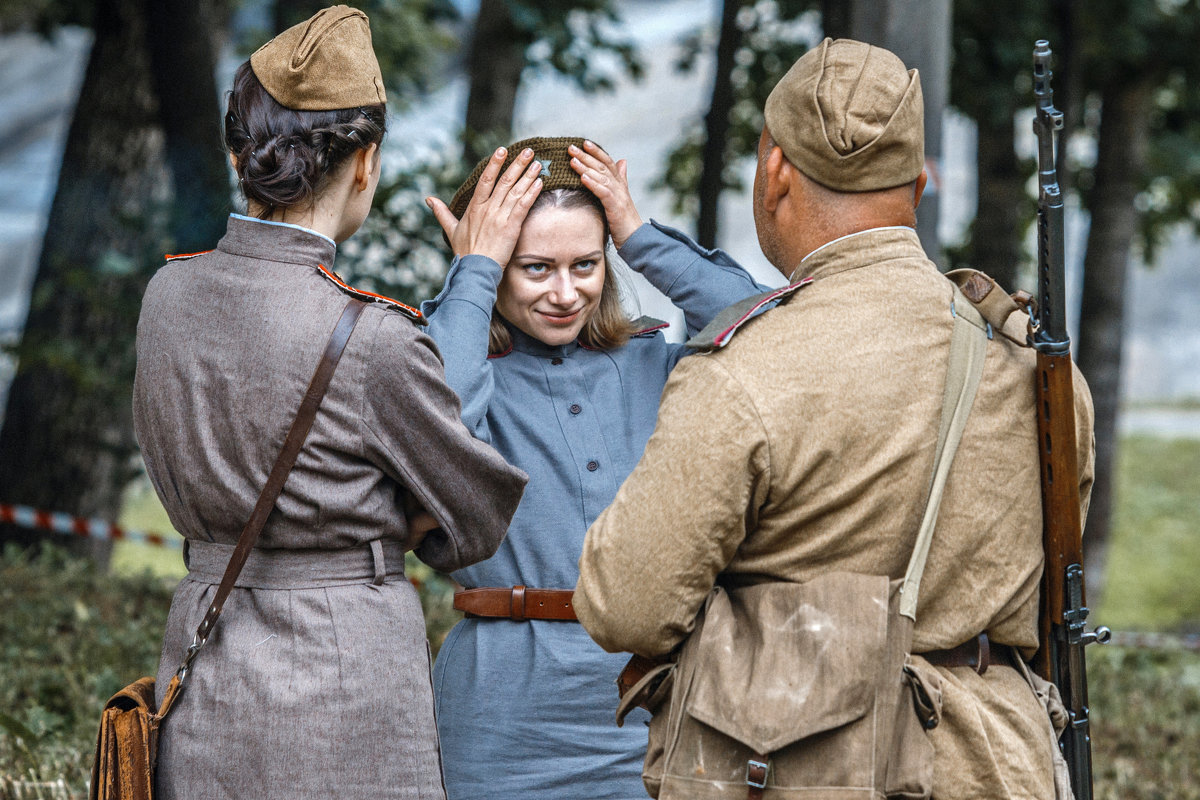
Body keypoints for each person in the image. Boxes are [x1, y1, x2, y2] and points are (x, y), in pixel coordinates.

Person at [575, 38, 1096, 800]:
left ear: (775, 169)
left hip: (804, 768)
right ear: (918, 183)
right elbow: (1057, 575)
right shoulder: (1038, 369)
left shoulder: (747, 366)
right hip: (999, 762)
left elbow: (626, 607)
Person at [132, 7, 526, 799]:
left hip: (204, 649)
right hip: (344, 673)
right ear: (366, 162)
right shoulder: (371, 336)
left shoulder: (167, 293)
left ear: (243, 152)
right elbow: (473, 520)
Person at [419, 136, 771, 799]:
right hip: (502, 713)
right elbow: (439, 430)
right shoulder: (458, 361)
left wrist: (638, 234)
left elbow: (768, 328)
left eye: (585, 264)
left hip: (655, 700)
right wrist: (473, 273)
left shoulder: (653, 362)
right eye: (534, 268)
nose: (564, 293)